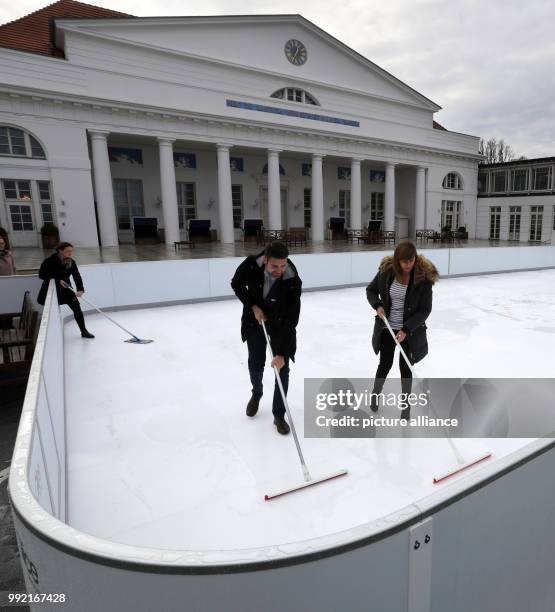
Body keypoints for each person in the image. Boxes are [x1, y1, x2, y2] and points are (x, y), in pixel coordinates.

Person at [231, 241, 302, 435]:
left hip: (280, 324)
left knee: (282, 368)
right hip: (255, 321)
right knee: (255, 362)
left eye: (283, 265)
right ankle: (257, 393)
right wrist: (253, 306)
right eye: (274, 266)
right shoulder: (251, 264)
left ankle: (279, 414)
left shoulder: (292, 279)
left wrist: (281, 353)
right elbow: (236, 284)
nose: (279, 270)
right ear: (265, 259)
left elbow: (291, 319)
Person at [366, 240, 438, 419]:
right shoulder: (386, 272)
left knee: (405, 368)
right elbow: (371, 290)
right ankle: (375, 395)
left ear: (415, 258)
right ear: (397, 260)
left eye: (411, 260)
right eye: (404, 261)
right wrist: (378, 305)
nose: (408, 265)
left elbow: (425, 310)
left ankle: (406, 407)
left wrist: (406, 329)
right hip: (387, 328)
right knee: (385, 364)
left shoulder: (423, 279)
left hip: (409, 331)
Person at [37, 242, 94, 338]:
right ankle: (50, 335)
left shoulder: (71, 262)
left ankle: (84, 331)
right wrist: (57, 280)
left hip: (66, 289)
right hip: (52, 291)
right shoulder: (49, 261)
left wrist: (80, 289)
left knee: (77, 309)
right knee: (52, 312)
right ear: (60, 251)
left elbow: (77, 276)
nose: (70, 253)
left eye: (71, 251)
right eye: (68, 251)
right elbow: (41, 275)